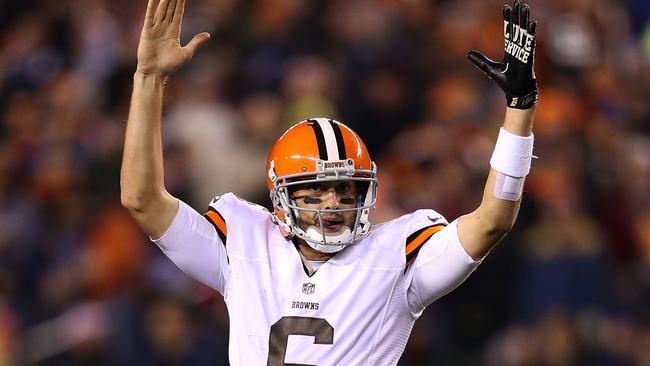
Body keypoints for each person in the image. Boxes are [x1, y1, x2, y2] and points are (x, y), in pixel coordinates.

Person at [120, 0, 539, 364]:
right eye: (314, 191)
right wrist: (149, 78)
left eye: (344, 189)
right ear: (281, 198)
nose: (332, 202)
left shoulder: (394, 254)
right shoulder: (245, 241)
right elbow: (141, 199)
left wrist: (518, 110)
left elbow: (493, 219)